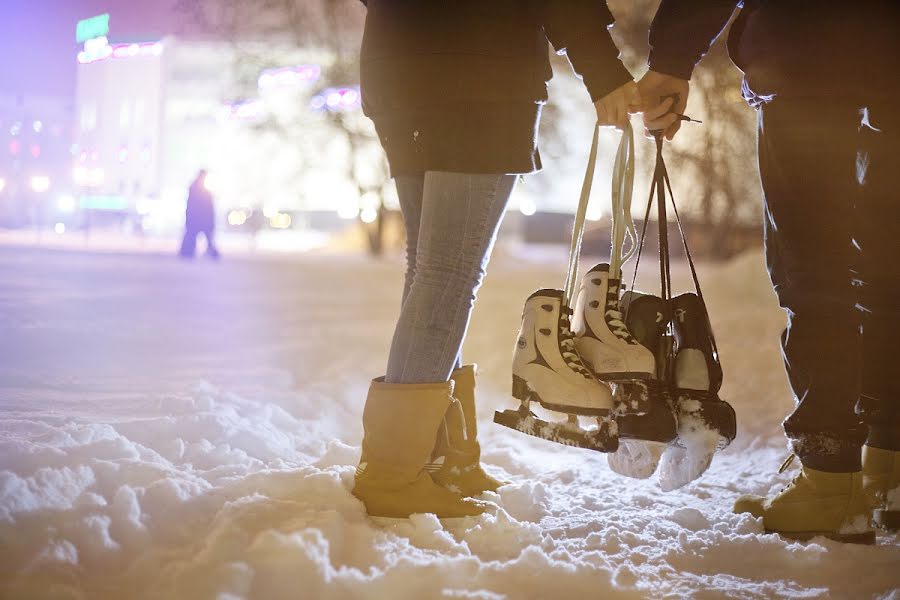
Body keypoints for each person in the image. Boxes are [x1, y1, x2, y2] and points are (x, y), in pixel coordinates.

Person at [352, 0, 639, 519]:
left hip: (397, 68)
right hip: (479, 73)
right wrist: (603, 69)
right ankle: (394, 473)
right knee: (447, 271)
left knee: (429, 268)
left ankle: (445, 458)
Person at [638, 0, 900, 542]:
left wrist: (673, 56)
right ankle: (889, 467)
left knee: (816, 265)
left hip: (811, 55)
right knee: (889, 266)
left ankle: (832, 482)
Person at [179, 170, 221, 260]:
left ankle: (187, 252)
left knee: (193, 237)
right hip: (199, 219)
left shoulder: (196, 188)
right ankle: (188, 252)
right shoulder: (198, 188)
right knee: (195, 237)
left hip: (197, 219)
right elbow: (207, 206)